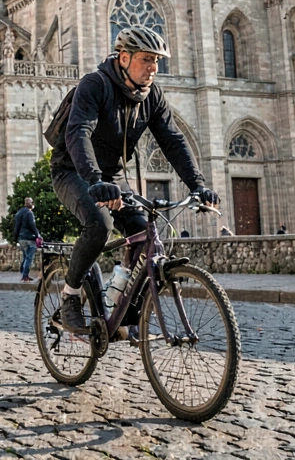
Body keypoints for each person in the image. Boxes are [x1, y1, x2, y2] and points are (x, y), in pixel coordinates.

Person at [51, 26, 217, 334]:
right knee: (100, 224)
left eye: (157, 60)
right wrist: (94, 179)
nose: (154, 67)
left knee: (145, 236)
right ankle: (70, 296)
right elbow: (78, 133)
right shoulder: (95, 85)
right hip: (73, 170)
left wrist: (198, 185)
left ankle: (121, 308)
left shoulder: (151, 94)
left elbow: (173, 141)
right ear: (124, 58)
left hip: (112, 175)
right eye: (146, 59)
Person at [13, 196, 42, 282]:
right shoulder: (29, 213)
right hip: (30, 238)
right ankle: (25, 276)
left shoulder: (18, 213)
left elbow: (17, 227)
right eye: (32, 203)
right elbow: (32, 225)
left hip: (21, 238)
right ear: (30, 204)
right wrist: (38, 235)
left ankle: (22, 272)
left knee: (25, 256)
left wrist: (15, 237)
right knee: (29, 257)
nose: (33, 204)